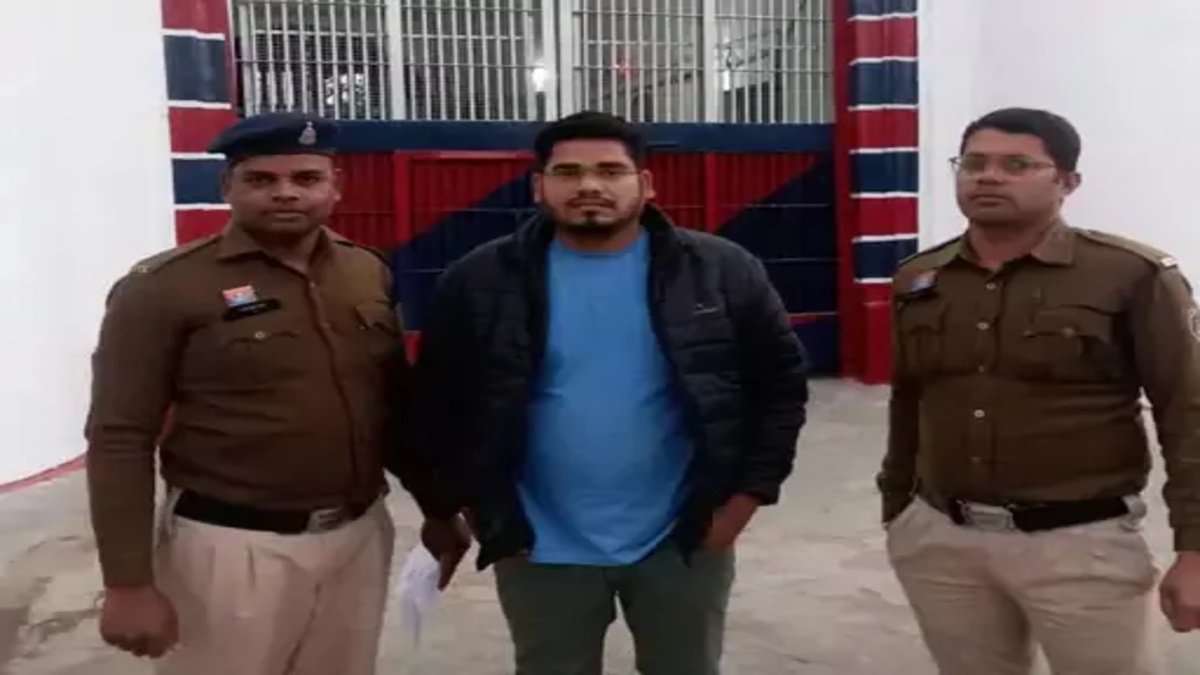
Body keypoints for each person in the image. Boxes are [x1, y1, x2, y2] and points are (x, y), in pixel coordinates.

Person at [408, 110, 809, 675]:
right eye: (568, 172)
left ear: (645, 184)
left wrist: (744, 501)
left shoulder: (721, 271)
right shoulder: (480, 280)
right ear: (538, 186)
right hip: (537, 544)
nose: (590, 185)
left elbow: (781, 388)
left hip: (683, 539)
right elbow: (438, 403)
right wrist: (477, 507)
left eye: (610, 171)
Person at [84, 113, 442, 675]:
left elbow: (392, 406)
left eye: (306, 178)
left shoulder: (365, 271)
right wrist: (128, 582)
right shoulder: (163, 288)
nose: (286, 193)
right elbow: (119, 436)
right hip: (231, 549)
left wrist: (437, 508)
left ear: (335, 185)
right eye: (261, 179)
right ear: (227, 186)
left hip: (359, 537)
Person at [880, 107, 1200, 675]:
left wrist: (1195, 550)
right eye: (973, 163)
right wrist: (898, 510)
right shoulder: (921, 278)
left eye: (1017, 165)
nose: (988, 176)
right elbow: (909, 399)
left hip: (1080, 543)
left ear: (1067, 182)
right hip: (941, 538)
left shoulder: (1130, 274)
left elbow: (1187, 411)